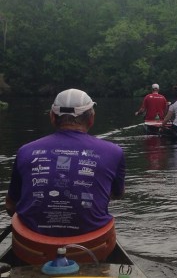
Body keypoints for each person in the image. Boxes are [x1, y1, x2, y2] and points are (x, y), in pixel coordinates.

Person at [5, 89, 126, 261]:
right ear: (91, 118)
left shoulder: (25, 151)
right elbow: (118, 193)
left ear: (52, 117)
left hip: (32, 248)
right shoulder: (115, 152)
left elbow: (10, 205)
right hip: (92, 247)